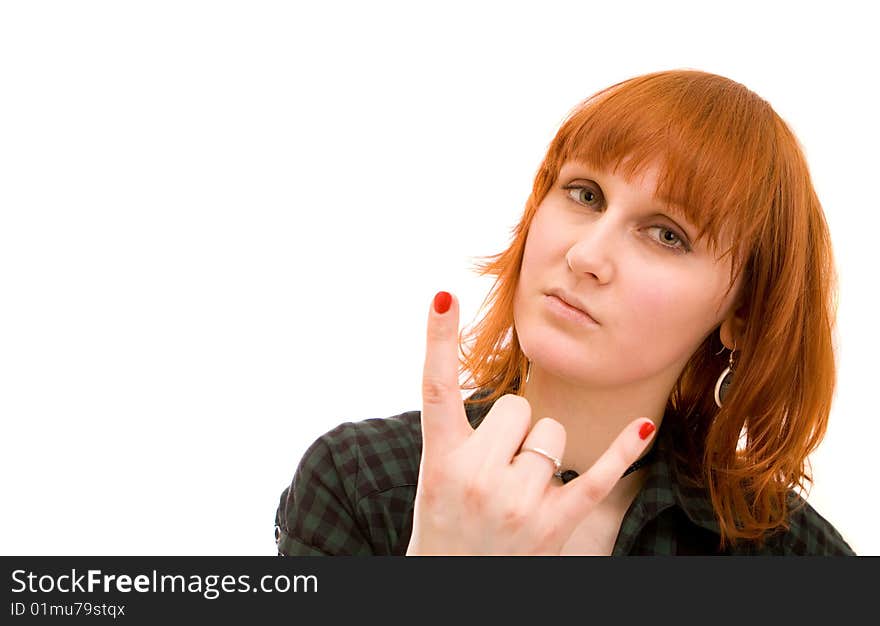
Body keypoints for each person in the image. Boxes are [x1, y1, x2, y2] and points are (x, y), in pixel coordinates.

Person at [275, 69, 855, 555]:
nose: (585, 256)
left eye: (667, 235)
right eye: (585, 195)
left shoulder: (798, 555)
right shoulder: (362, 483)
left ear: (743, 314)